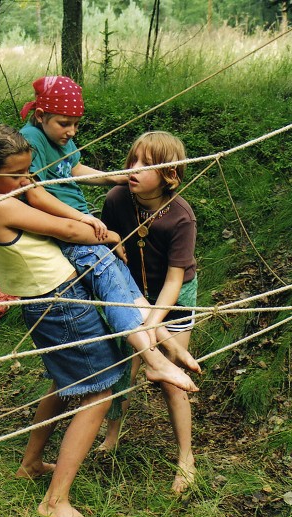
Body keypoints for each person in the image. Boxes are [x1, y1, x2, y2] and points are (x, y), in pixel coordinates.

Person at [0, 125, 197, 517]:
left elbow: (39, 192)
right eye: (17, 174)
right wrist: (104, 231)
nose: (26, 180)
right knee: (97, 394)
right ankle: (55, 502)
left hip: (58, 298)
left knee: (67, 382)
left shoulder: (10, 185)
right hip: (60, 306)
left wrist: (85, 222)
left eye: (29, 172)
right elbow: (68, 230)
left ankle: (31, 462)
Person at [19, 76, 199, 379]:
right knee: (113, 284)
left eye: (76, 124)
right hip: (69, 227)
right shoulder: (31, 140)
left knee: (123, 283)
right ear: (40, 116)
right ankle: (157, 358)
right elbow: (35, 192)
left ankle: (168, 343)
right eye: (65, 123)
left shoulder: (59, 139)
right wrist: (84, 219)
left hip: (80, 221)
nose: (72, 131)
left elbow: (75, 170)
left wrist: (113, 177)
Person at [99, 131, 199, 494]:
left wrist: (153, 326)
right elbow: (108, 247)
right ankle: (111, 436)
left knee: (168, 377)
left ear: (170, 173)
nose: (134, 169)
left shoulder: (181, 217)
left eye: (147, 164)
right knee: (125, 365)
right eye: (132, 160)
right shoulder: (117, 199)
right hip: (131, 290)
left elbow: (174, 282)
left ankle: (186, 458)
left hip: (173, 298)